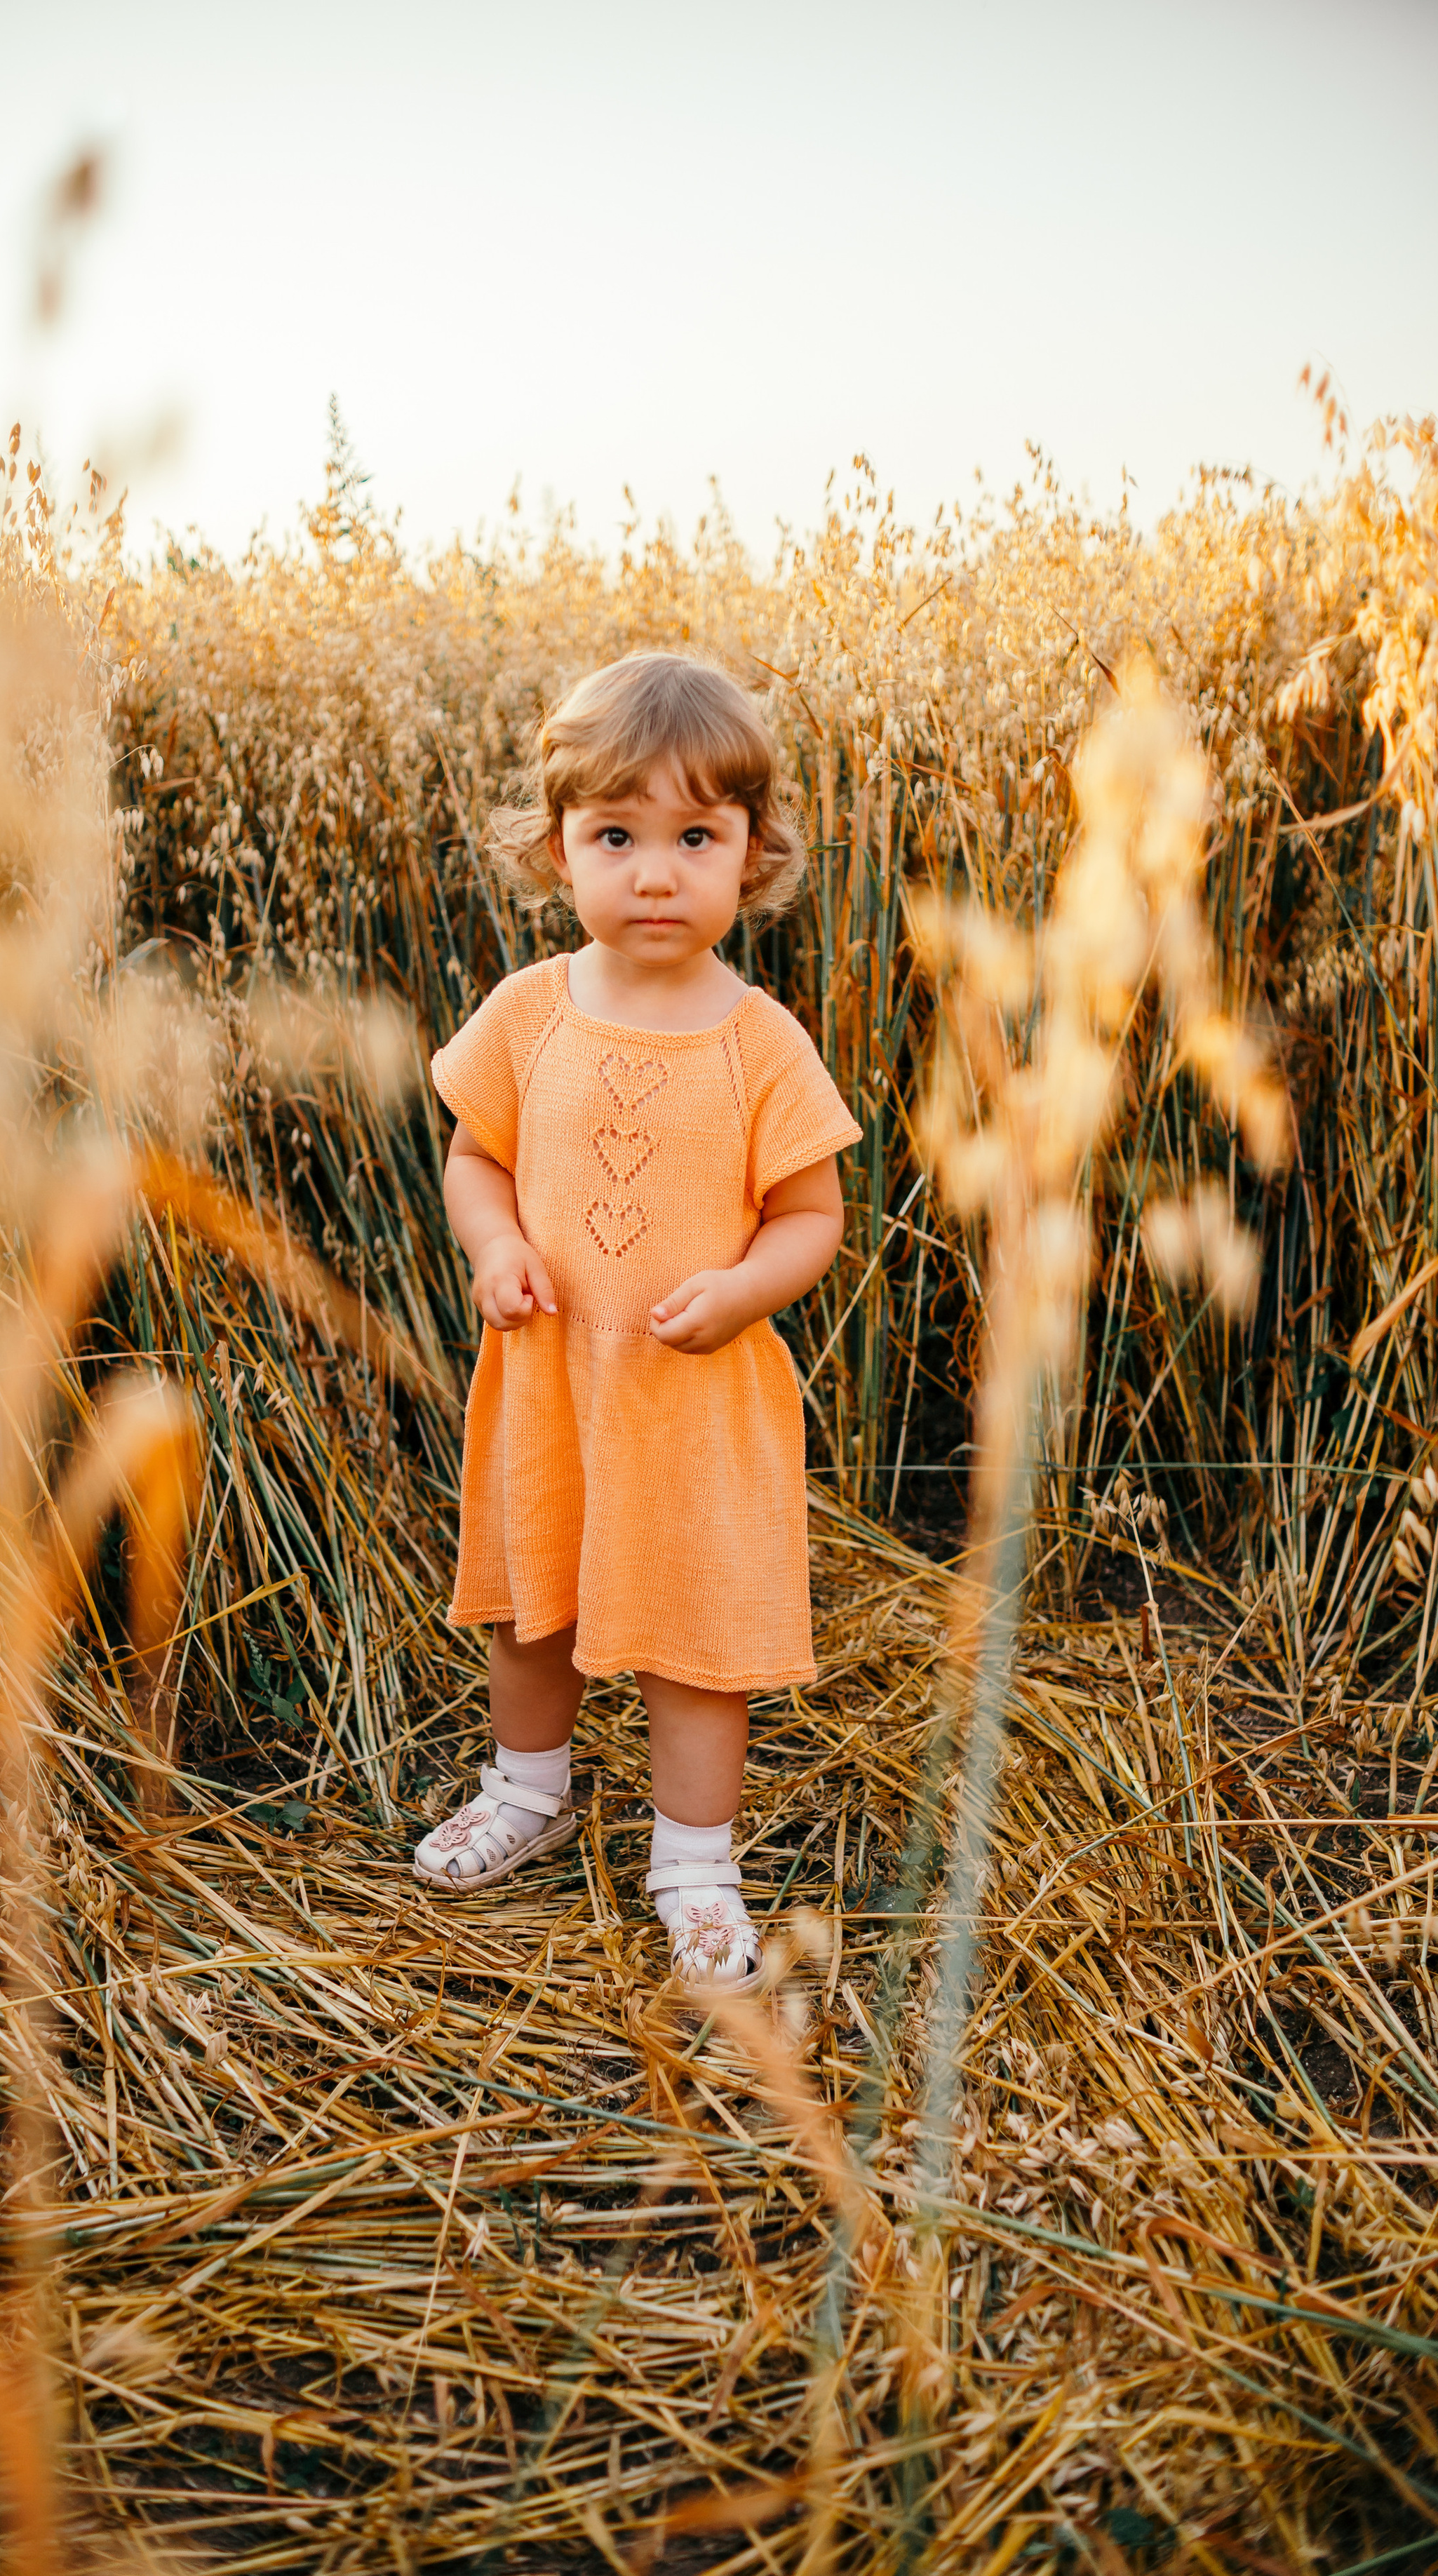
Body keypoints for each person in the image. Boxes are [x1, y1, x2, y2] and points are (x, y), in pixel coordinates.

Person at [412, 653, 859, 1989]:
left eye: (694, 839)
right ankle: (527, 1791)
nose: (655, 873)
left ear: (751, 855)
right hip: (551, 1380)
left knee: (689, 1635)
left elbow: (811, 1216)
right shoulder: (530, 1012)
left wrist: (742, 1292)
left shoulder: (758, 1040)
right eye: (617, 836)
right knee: (532, 1604)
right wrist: (494, 1243)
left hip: (690, 1401)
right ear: (559, 851)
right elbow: (472, 1157)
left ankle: (695, 1864)